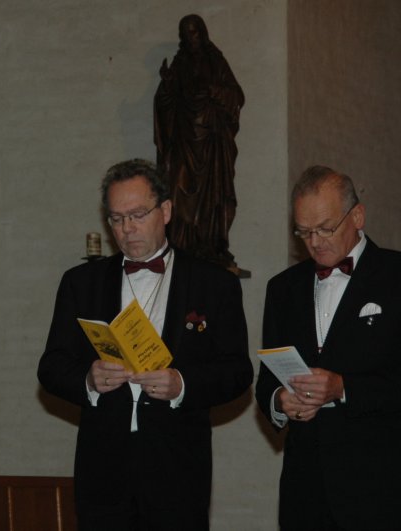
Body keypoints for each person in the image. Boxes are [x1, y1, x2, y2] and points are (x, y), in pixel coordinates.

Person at [38, 159, 252, 530]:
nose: (127, 228)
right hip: (103, 470)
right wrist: (88, 380)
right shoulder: (81, 283)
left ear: (165, 211)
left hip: (178, 468)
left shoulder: (213, 283)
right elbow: (51, 366)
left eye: (137, 215)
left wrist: (182, 384)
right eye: (117, 218)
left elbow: (237, 370)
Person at [256, 166, 401, 531]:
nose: (315, 242)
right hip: (304, 487)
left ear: (357, 216)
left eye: (325, 228)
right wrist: (280, 401)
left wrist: (343, 388)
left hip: (379, 486)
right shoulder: (283, 289)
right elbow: (266, 382)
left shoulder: (395, 276)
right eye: (304, 232)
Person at [154, 14, 244, 270]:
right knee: (176, 189)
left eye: (193, 32)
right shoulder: (179, 64)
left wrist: (214, 90)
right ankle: (180, 245)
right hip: (184, 141)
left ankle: (210, 244)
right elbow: (164, 103)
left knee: (213, 193)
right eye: (185, 34)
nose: (190, 38)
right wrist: (167, 85)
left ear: (202, 34)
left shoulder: (216, 61)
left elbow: (236, 95)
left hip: (211, 142)